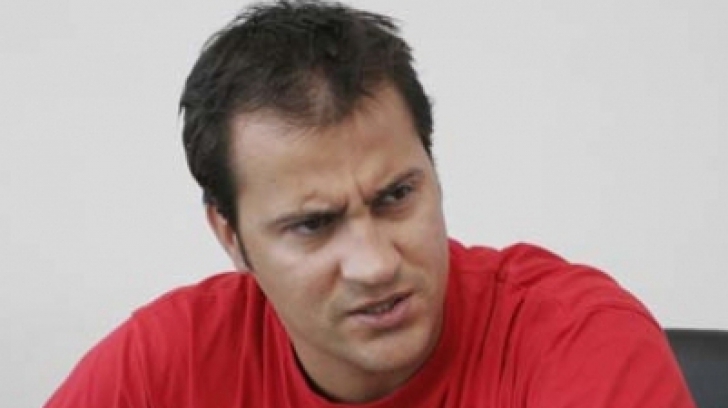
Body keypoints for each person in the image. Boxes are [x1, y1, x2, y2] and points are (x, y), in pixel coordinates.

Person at [45, 1, 695, 407]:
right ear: (231, 236)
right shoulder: (163, 366)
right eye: (313, 225)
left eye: (396, 196)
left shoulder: (577, 339)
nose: (376, 264)